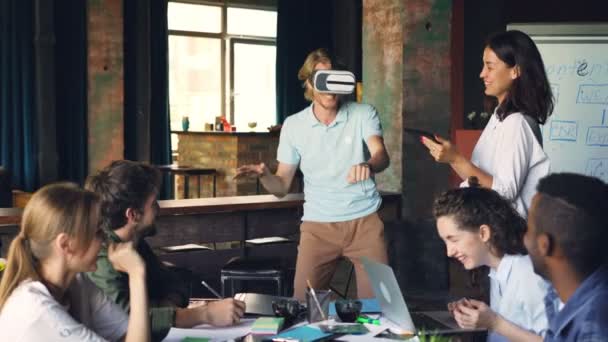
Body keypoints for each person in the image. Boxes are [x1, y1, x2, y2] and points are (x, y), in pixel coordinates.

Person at [235, 48, 390, 300]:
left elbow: (381, 154)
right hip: (318, 227)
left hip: (365, 223)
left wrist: (368, 165)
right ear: (309, 83)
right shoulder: (294, 126)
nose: (330, 87)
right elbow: (282, 186)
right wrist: (265, 174)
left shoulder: (363, 113)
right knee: (304, 306)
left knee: (382, 308)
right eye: (321, 79)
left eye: (334, 78)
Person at [85, 160, 245, 341]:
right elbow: (131, 322)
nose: (159, 209)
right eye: (153, 204)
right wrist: (204, 314)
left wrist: (166, 311)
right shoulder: (101, 259)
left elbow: (175, 283)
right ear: (133, 215)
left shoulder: (134, 243)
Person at [422, 30, 554, 217]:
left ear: (515, 70)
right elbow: (480, 179)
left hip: (509, 237)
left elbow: (505, 191)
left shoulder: (517, 123)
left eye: (490, 67)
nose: (482, 74)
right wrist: (452, 158)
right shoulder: (499, 117)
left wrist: (456, 159)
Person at [0, 183, 149, 342]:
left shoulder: (78, 283)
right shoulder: (36, 310)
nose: (105, 241)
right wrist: (136, 274)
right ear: (65, 244)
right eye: (97, 232)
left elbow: (130, 334)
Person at [433, 177, 554, 341]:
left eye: (453, 240)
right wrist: (475, 315)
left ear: (484, 233)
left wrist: (494, 322)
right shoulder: (497, 270)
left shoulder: (528, 274)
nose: (449, 252)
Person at [525, 173, 608, 340]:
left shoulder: (594, 329)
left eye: (528, 230)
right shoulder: (558, 297)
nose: (524, 239)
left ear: (544, 245)